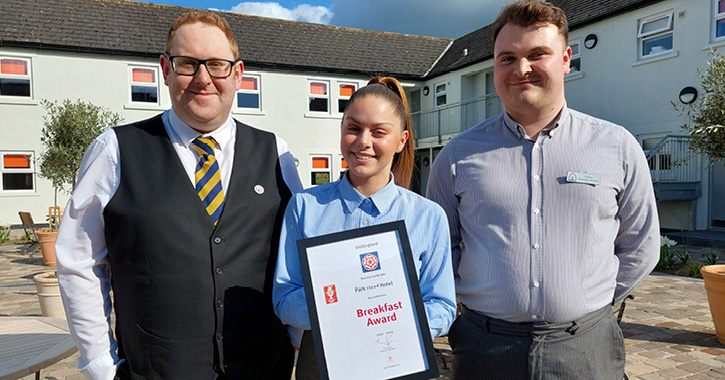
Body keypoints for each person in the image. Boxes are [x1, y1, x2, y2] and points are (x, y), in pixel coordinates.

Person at [56, 9, 302, 380]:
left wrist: (296, 335)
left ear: (237, 74)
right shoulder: (114, 150)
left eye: (217, 65)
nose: (203, 79)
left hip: (263, 368)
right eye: (188, 63)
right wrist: (100, 365)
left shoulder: (276, 153)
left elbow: (297, 252)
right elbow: (79, 262)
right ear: (166, 69)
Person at [426, 1, 660, 379]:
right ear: (495, 67)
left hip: (586, 348)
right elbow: (438, 249)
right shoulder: (456, 156)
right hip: (485, 348)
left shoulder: (617, 147)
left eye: (538, 54)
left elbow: (641, 245)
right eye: (507, 58)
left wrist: (587, 301)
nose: (521, 69)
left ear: (566, 60)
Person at [273, 77, 456, 380]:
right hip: (321, 363)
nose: (363, 142)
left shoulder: (428, 216)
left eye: (379, 132)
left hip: (399, 359)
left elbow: (442, 305)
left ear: (401, 140)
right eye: (354, 128)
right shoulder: (305, 207)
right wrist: (343, 311)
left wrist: (391, 317)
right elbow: (284, 299)